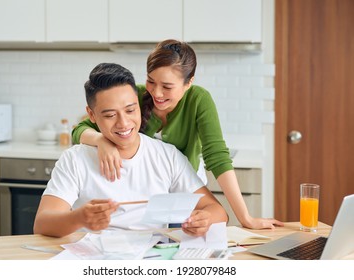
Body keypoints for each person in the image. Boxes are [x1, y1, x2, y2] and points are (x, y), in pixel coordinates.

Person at [72, 39, 283, 230]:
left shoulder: (199, 100)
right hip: (144, 198)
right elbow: (80, 129)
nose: (156, 93)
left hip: (186, 194)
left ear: (188, 83)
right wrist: (101, 141)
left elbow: (217, 157)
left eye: (167, 86)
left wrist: (245, 218)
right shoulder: (134, 97)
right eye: (151, 81)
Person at [34, 62, 227, 238]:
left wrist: (205, 219)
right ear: (91, 115)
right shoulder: (75, 159)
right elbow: (42, 224)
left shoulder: (167, 156)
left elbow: (218, 211)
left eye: (130, 110)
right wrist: (79, 218)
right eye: (110, 115)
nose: (124, 123)